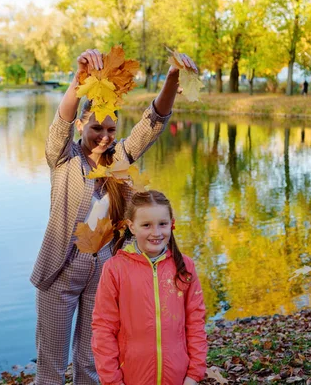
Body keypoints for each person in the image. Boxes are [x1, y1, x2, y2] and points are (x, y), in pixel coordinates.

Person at [31, 49, 198, 385]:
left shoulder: (119, 158)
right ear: (82, 125)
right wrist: (78, 81)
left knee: (91, 362)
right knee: (50, 367)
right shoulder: (63, 158)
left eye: (111, 128)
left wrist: (172, 79)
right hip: (62, 267)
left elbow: (152, 123)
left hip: (105, 269)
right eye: (96, 128)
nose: (105, 136)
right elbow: (60, 122)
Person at [92, 190, 207, 385]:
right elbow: (103, 329)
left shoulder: (185, 267)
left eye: (162, 224)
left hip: (178, 377)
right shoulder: (115, 269)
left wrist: (194, 373)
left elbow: (196, 322)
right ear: (132, 226)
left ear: (172, 223)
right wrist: (112, 380)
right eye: (146, 225)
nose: (156, 233)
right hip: (131, 377)